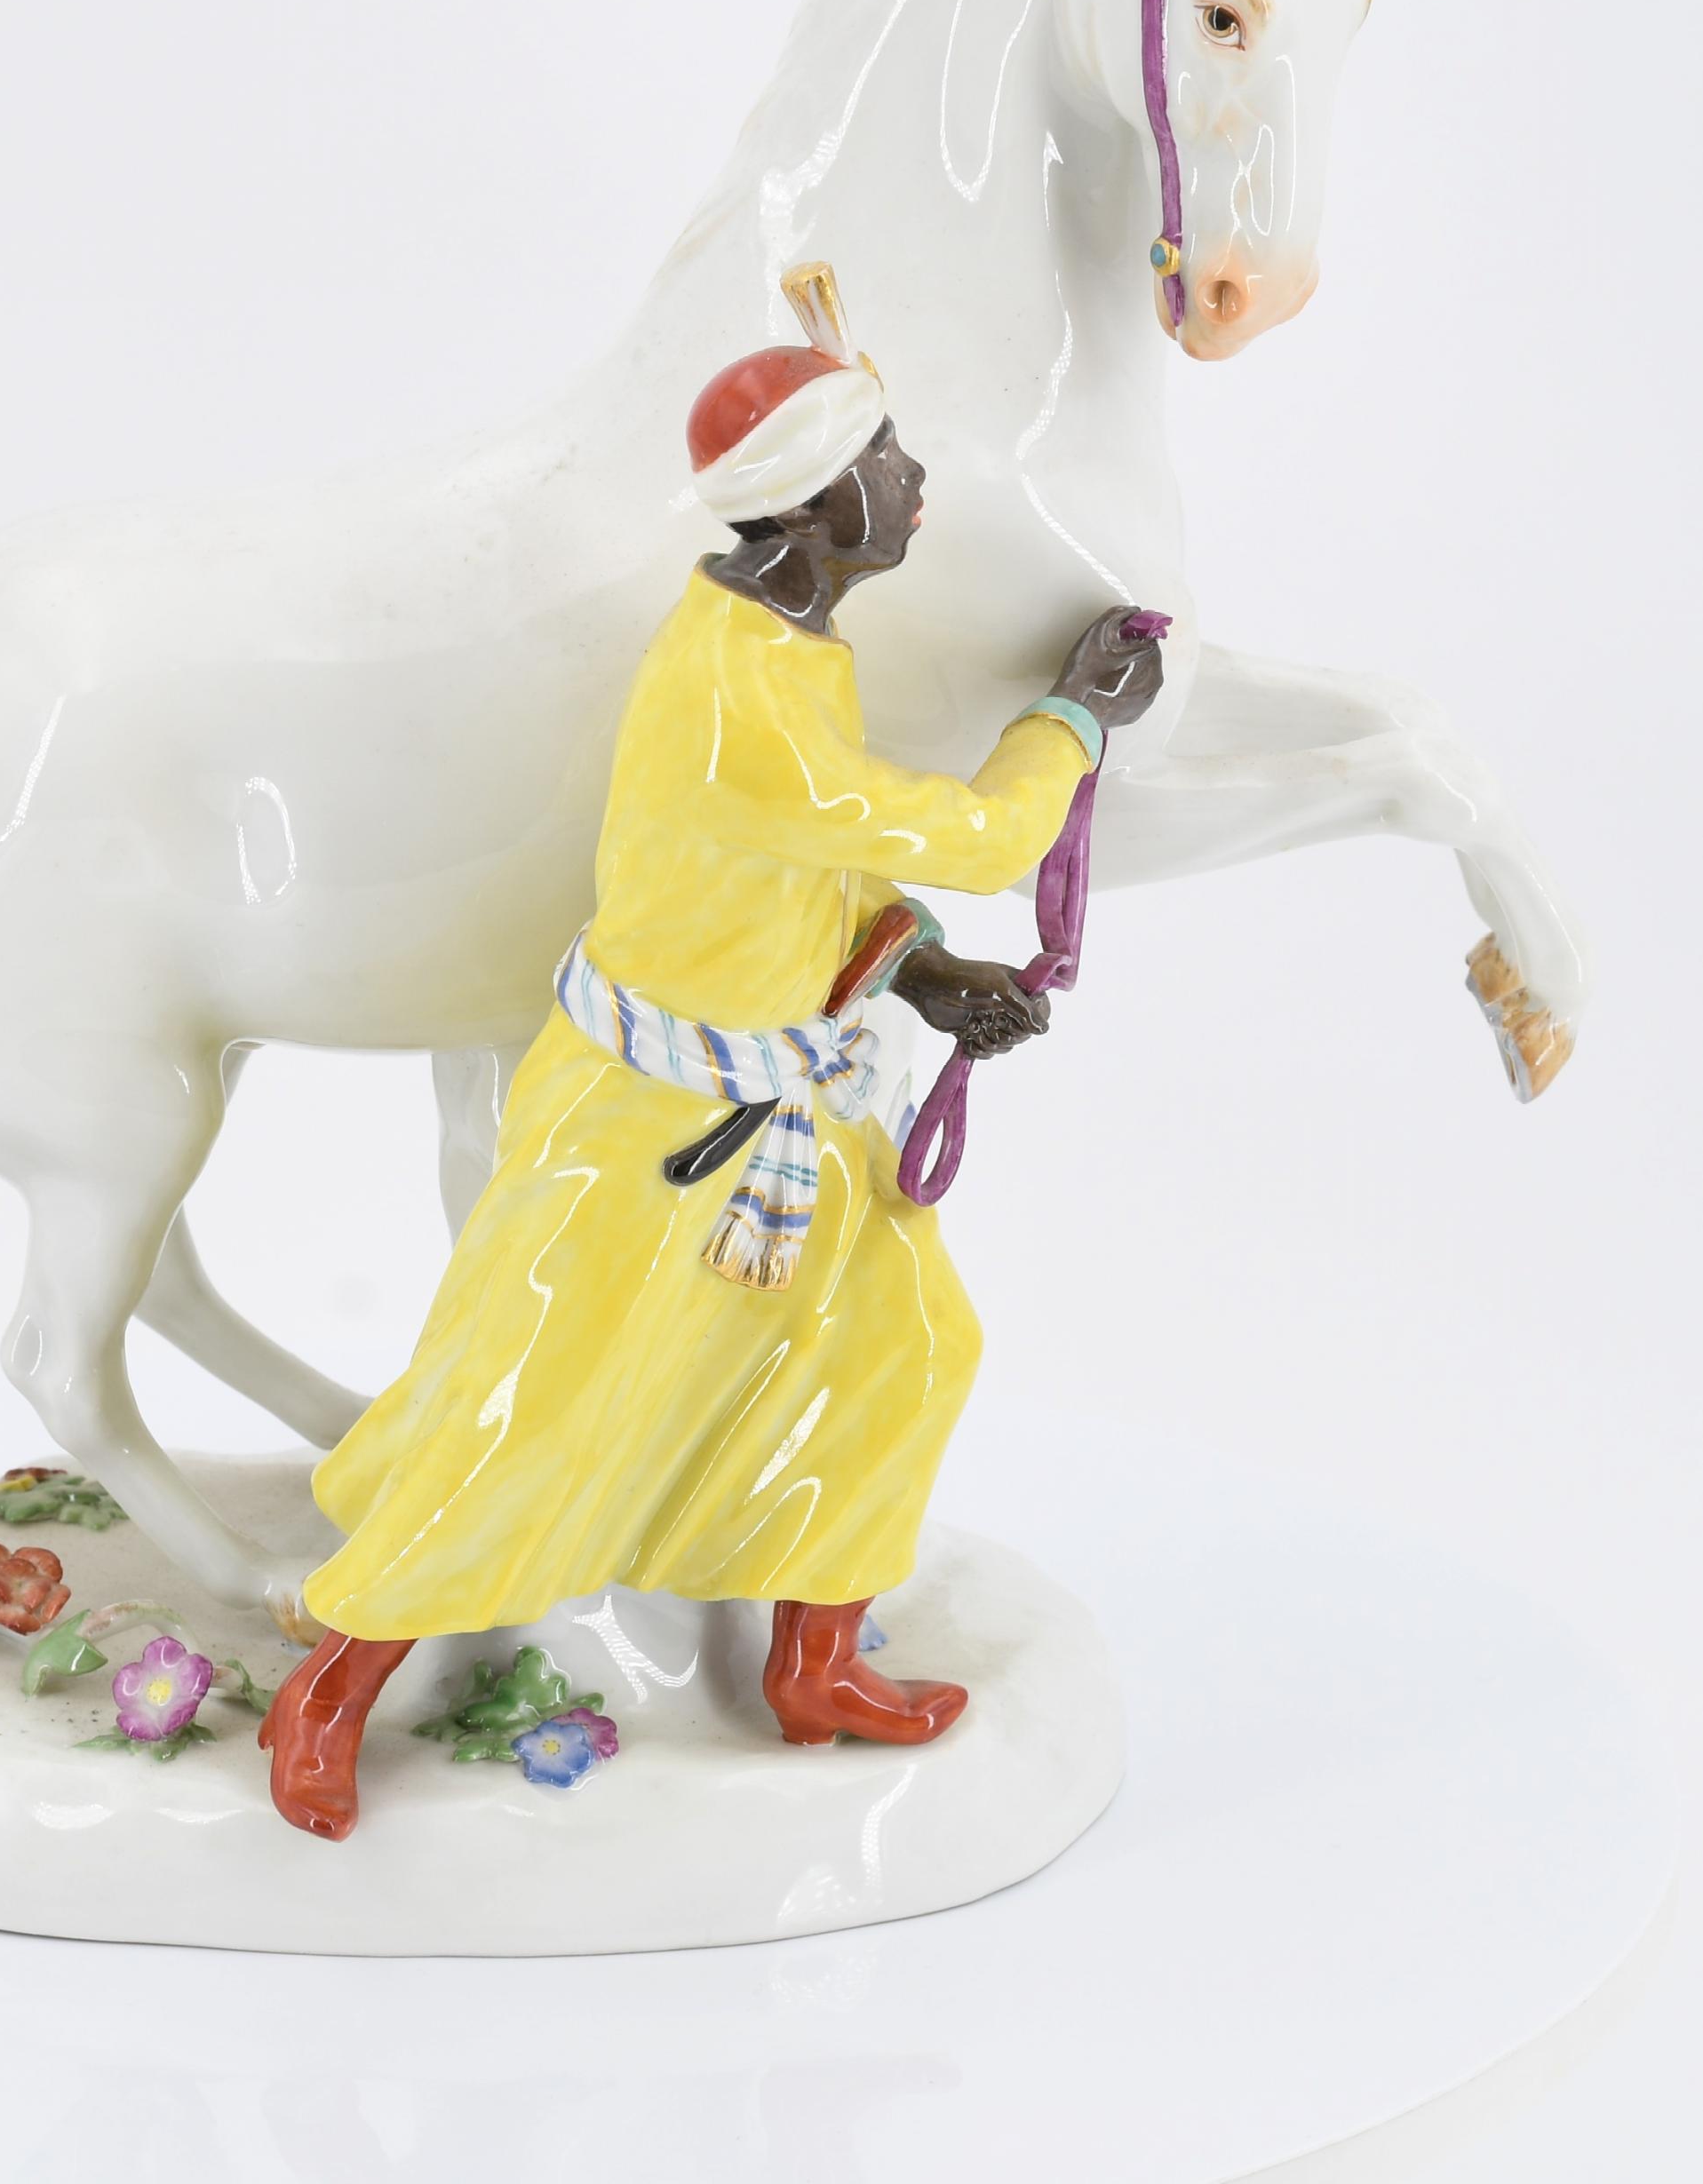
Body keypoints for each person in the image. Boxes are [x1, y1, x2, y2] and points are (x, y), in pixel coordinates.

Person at [259, 275, 1166, 1840]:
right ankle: (330, 1688)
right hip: (644, 1128)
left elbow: (790, 868)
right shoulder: (741, 691)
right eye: (885, 459)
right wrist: (1069, 726)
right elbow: (968, 835)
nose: (916, 480)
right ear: (811, 508)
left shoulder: (788, 653)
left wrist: (917, 969)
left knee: (904, 1345)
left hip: (775, 1104)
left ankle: (817, 1662)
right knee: (536, 1398)